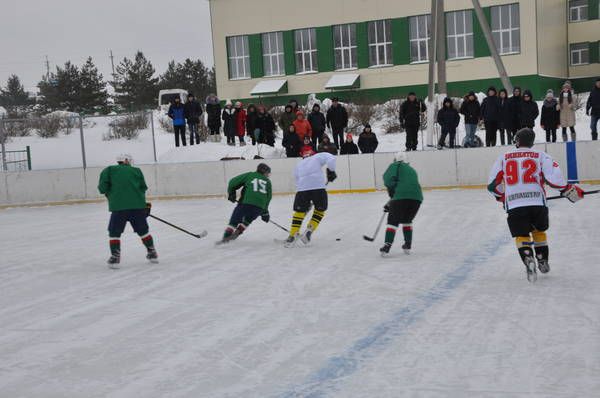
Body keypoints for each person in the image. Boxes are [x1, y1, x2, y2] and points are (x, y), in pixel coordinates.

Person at [487, 128, 584, 281]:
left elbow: (493, 185)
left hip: (515, 204)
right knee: (538, 231)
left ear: (517, 141)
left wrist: (503, 197)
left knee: (521, 234)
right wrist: (567, 189)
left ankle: (528, 258)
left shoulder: (504, 157)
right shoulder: (541, 155)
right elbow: (553, 178)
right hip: (537, 203)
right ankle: (542, 259)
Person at [98, 154, 157, 268]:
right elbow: (143, 187)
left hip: (119, 207)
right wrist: (143, 204)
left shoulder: (109, 170)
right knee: (143, 231)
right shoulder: (136, 171)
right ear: (125, 161)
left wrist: (109, 193)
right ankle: (152, 252)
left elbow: (102, 188)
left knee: (114, 232)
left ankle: (115, 257)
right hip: (137, 207)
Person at [284, 148, 337, 247]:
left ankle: (292, 236)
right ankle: (309, 231)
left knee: (299, 212)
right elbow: (331, 158)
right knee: (319, 211)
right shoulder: (317, 157)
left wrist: (303, 195)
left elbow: (296, 179)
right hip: (318, 188)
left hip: (302, 190)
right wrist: (331, 171)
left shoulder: (299, 165)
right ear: (312, 154)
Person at [380, 152, 423, 256]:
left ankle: (387, 246)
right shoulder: (412, 170)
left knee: (392, 220)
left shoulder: (396, 165)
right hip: (417, 199)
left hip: (401, 198)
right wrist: (392, 201)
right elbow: (407, 187)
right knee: (407, 220)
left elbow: (388, 180)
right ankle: (407, 245)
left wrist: (392, 197)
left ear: (396, 160)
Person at [218, 163, 272, 244]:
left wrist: (231, 193)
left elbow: (232, 182)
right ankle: (238, 232)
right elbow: (268, 197)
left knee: (234, 220)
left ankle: (226, 237)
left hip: (245, 203)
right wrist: (265, 212)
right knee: (248, 220)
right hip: (259, 207)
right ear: (264, 172)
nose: (268, 175)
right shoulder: (268, 182)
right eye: (268, 173)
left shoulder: (250, 175)